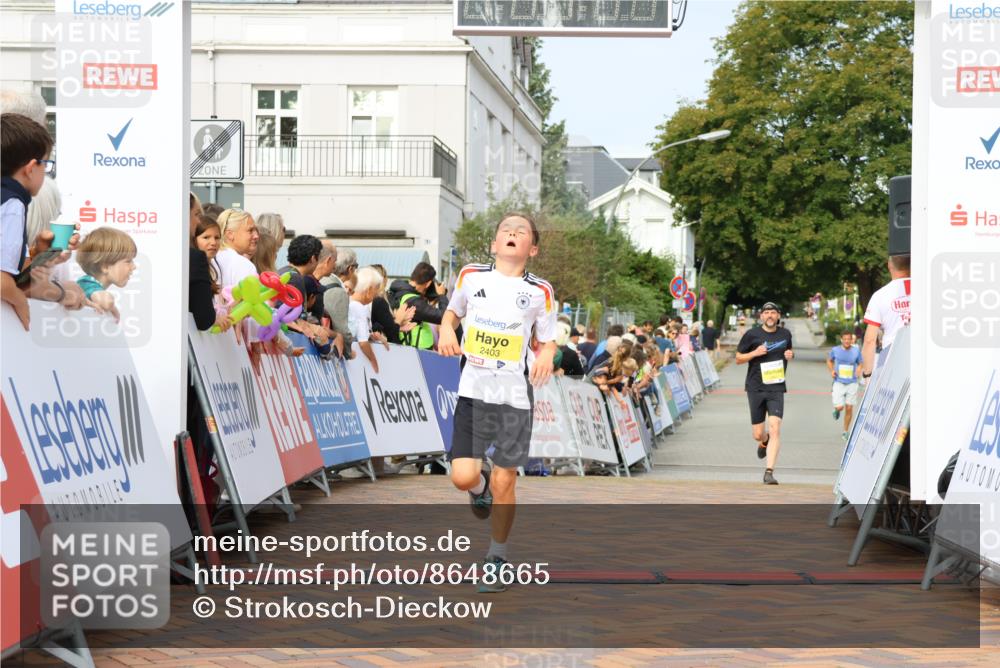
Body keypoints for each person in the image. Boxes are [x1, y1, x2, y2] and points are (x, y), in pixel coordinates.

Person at [437, 212, 556, 593]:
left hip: (514, 395)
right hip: (474, 391)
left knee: (507, 479)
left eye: (521, 232)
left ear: (531, 249)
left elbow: (548, 338)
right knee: (462, 477)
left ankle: (497, 557)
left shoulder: (541, 291)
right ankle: (478, 488)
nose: (512, 233)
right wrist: (444, 330)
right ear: (494, 243)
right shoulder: (471, 276)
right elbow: (452, 313)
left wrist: (547, 354)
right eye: (506, 229)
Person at [1, 112, 85, 330]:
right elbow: (2, 280)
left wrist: (43, 257)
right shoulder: (13, 205)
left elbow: (16, 277)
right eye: (46, 165)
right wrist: (20, 302)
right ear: (30, 168)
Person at [735, 301, 794, 485]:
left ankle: (769, 472)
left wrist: (790, 355)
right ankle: (764, 441)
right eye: (766, 313)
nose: (770, 316)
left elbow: (788, 351)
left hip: (776, 387)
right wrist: (754, 353)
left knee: (776, 428)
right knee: (758, 434)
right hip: (755, 387)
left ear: (778, 316)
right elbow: (738, 358)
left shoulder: (785, 334)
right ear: (761, 316)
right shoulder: (751, 335)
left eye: (773, 313)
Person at [861, 254, 910, 379]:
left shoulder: (880, 296)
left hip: (893, 360)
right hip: (923, 358)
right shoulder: (927, 290)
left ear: (889, 265)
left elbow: (870, 340)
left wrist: (867, 374)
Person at [75, 227, 136, 322]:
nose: (134, 266)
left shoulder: (92, 286)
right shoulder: (86, 284)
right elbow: (106, 302)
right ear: (105, 267)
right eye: (128, 261)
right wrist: (112, 307)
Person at [388, 261, 449, 349]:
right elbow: (444, 317)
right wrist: (442, 295)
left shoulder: (399, 292)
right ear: (428, 284)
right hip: (415, 350)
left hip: (403, 346)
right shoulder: (414, 301)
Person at [191, 214, 232, 333]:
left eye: (217, 237)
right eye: (206, 237)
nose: (213, 242)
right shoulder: (195, 267)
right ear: (194, 239)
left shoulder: (215, 269)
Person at [349, 266, 390, 373]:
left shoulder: (356, 304)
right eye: (376, 289)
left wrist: (373, 336)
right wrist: (373, 360)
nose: (377, 294)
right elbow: (363, 342)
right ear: (369, 290)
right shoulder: (359, 308)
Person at [188, 194, 218, 331]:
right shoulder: (194, 258)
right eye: (196, 214)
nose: (198, 221)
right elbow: (205, 319)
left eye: (217, 238)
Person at [321, 247, 357, 357]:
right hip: (327, 348)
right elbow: (341, 328)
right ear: (350, 268)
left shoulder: (321, 279)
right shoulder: (338, 292)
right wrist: (348, 353)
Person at [828, 331, 862, 439]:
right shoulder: (835, 350)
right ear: (841, 339)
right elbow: (829, 361)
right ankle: (837, 410)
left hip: (852, 382)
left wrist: (858, 370)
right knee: (840, 407)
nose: (847, 341)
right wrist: (832, 371)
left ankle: (845, 431)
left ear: (852, 340)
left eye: (849, 339)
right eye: (845, 339)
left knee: (849, 408)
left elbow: (861, 363)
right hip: (839, 382)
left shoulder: (856, 351)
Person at [369, 263, 415, 344]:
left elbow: (384, 326)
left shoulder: (369, 300)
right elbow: (391, 334)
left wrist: (398, 325)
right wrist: (398, 320)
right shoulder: (379, 301)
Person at [215, 208, 259, 288]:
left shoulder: (212, 259)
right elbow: (250, 300)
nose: (256, 236)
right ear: (230, 234)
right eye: (250, 230)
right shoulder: (244, 265)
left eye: (255, 230)